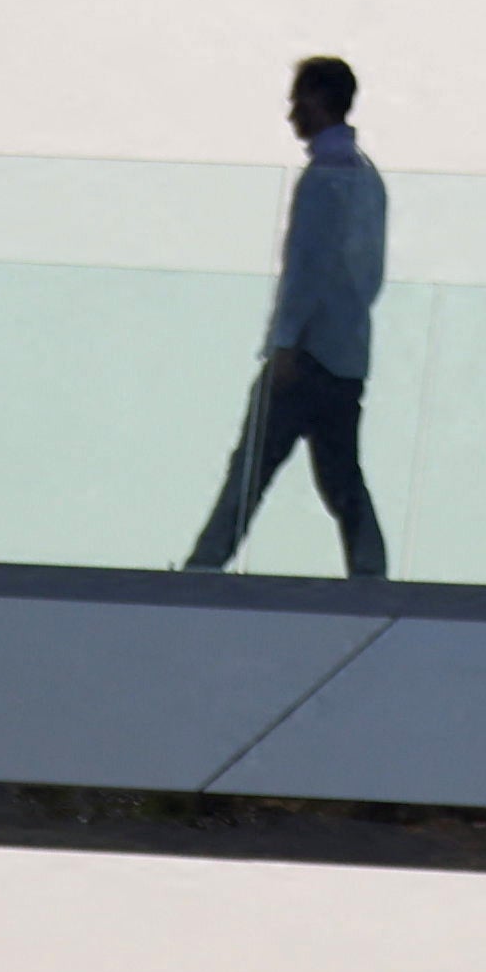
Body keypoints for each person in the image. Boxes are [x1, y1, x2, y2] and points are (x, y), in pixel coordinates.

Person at [184, 52, 393, 580]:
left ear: (321, 101)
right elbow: (367, 274)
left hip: (306, 355)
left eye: (299, 99)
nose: (292, 113)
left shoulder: (323, 178)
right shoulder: (369, 180)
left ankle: (200, 573)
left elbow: (305, 268)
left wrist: (284, 344)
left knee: (250, 469)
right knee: (342, 479)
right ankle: (371, 577)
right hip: (347, 358)